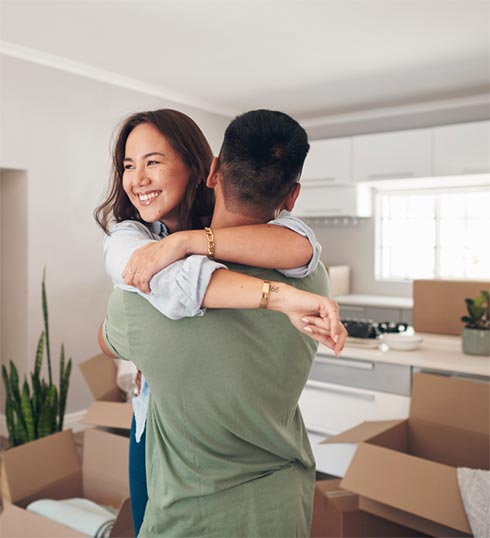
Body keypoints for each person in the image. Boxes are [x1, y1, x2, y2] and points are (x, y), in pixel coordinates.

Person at [95, 109, 345, 534]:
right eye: (128, 165)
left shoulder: (140, 301)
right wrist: (279, 296)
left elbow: (112, 333)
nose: (137, 178)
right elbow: (304, 251)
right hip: (270, 473)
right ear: (292, 194)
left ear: (207, 170)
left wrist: (188, 242)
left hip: (187, 485)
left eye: (152, 161)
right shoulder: (310, 283)